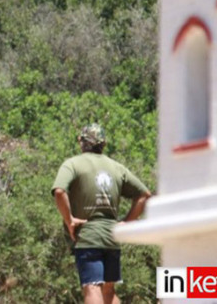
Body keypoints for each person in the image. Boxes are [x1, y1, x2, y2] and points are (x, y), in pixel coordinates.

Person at [51, 123, 152, 304]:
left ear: (81, 141)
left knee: (92, 287)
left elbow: (59, 191)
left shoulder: (72, 164)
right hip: (112, 238)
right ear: (103, 144)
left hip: (88, 236)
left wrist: (70, 220)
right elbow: (144, 195)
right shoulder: (116, 167)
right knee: (108, 291)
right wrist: (126, 223)